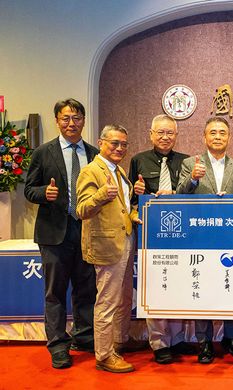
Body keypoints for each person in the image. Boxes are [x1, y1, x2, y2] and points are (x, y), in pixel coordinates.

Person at [24, 98, 98, 369]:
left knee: (86, 289)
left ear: (83, 121)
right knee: (55, 292)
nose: (71, 123)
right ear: (57, 120)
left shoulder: (94, 153)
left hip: (86, 231)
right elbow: (29, 189)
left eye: (77, 117)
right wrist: (44, 193)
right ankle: (57, 345)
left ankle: (84, 336)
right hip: (54, 233)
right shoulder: (44, 152)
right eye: (66, 118)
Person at [177, 117, 233, 363]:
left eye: (222, 133)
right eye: (213, 133)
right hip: (199, 237)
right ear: (204, 137)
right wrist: (193, 179)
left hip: (230, 239)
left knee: (231, 286)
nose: (218, 137)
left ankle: (232, 338)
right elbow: (179, 195)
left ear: (229, 137)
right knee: (202, 288)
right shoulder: (189, 163)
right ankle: (204, 342)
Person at [129, 114, 195, 365]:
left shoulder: (186, 161)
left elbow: (192, 196)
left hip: (181, 235)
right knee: (156, 286)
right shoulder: (138, 160)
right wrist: (136, 197)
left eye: (170, 133)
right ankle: (159, 343)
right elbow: (131, 199)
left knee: (177, 285)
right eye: (161, 132)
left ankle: (177, 338)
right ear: (151, 134)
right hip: (151, 234)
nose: (165, 137)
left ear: (176, 135)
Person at [76, 124, 142, 373]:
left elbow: (123, 207)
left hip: (125, 240)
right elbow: (82, 209)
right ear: (101, 142)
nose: (119, 148)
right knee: (107, 301)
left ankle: (120, 341)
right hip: (106, 245)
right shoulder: (91, 171)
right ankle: (104, 355)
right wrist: (102, 194)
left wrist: (134, 215)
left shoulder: (119, 171)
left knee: (124, 297)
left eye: (124, 144)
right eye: (114, 143)